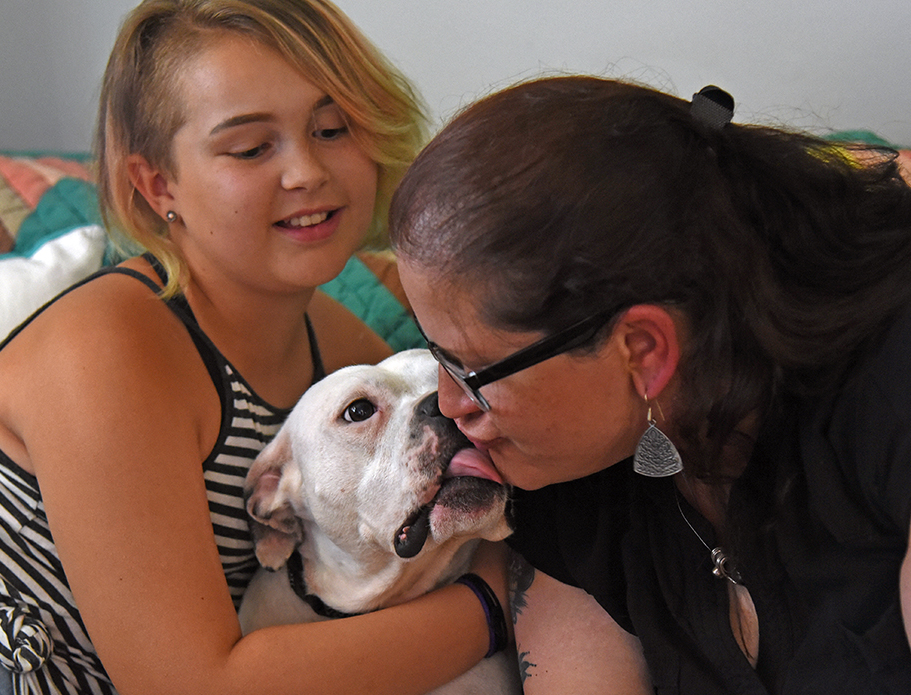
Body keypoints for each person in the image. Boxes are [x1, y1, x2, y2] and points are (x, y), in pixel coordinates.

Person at [0, 1, 512, 693]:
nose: (306, 171)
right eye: (250, 147)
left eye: (332, 128)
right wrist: (491, 602)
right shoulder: (111, 344)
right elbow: (190, 684)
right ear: (158, 185)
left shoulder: (340, 352)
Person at [389, 75, 911, 694]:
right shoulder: (565, 479)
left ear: (643, 350)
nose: (450, 407)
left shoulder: (886, 391)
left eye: (470, 371)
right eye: (433, 353)